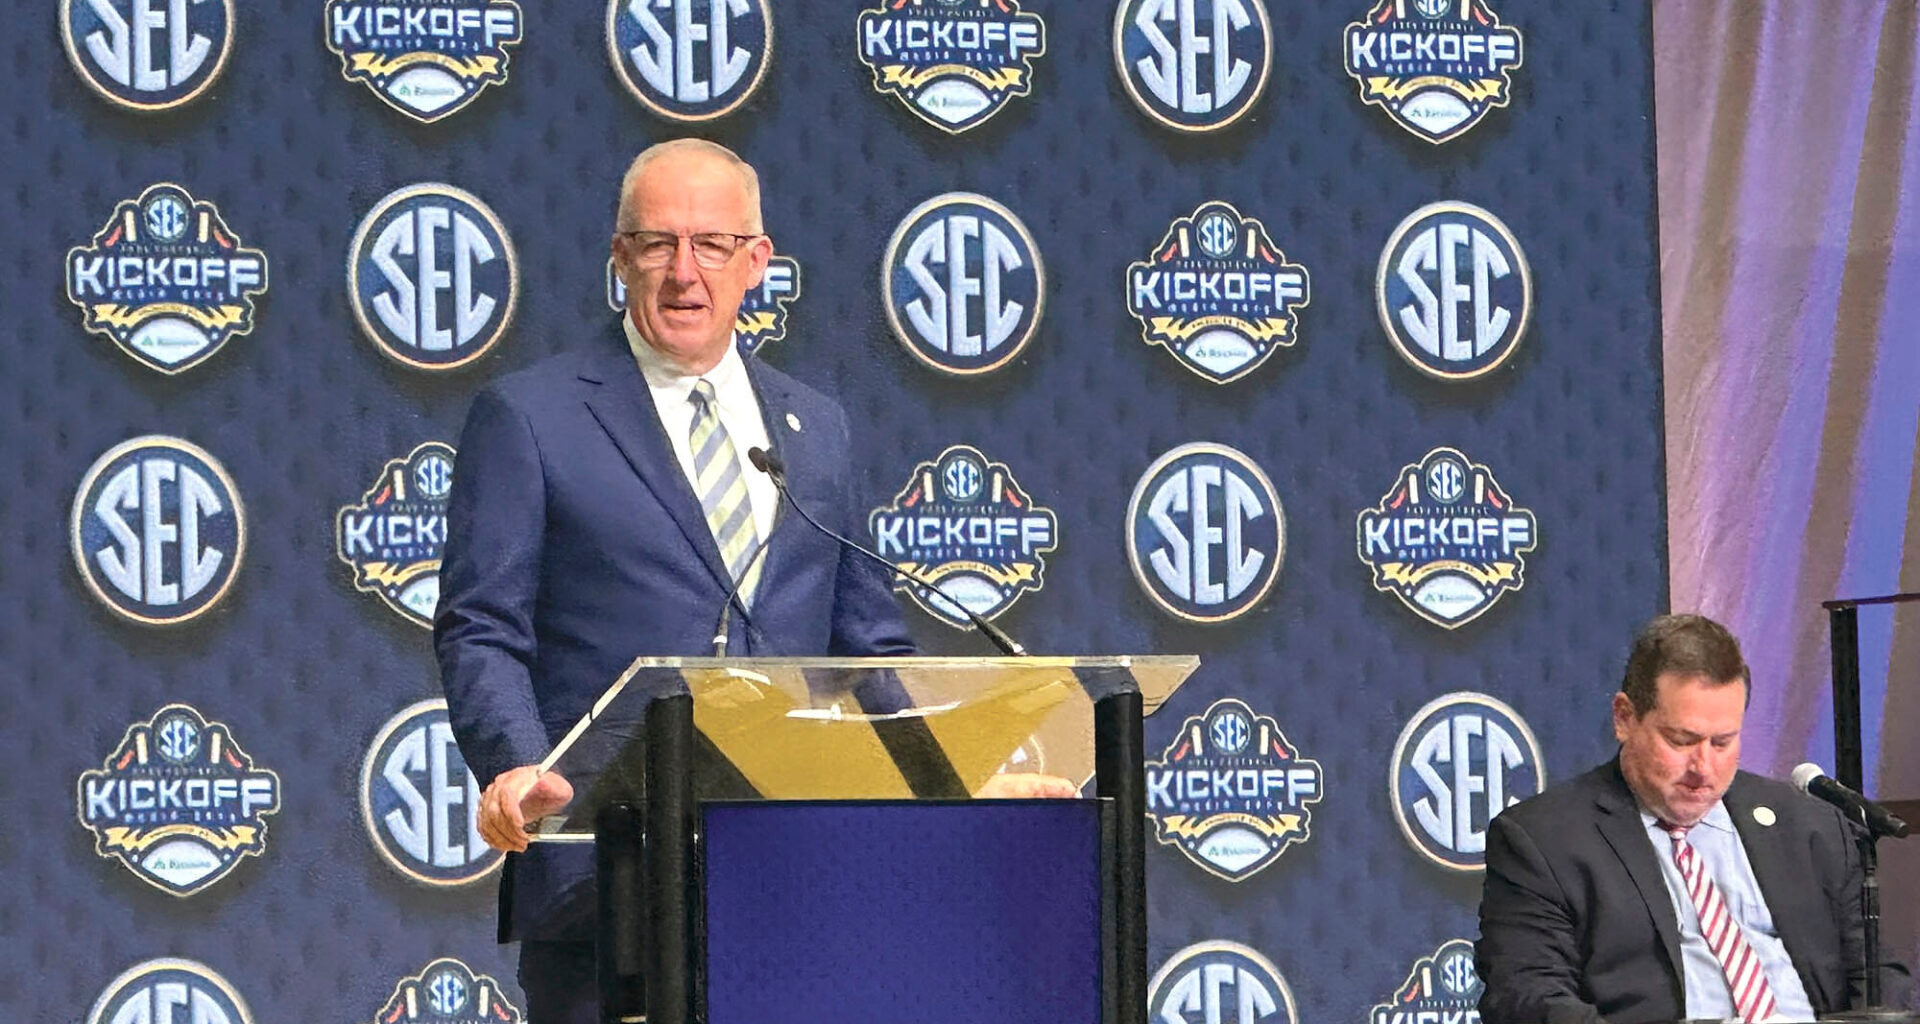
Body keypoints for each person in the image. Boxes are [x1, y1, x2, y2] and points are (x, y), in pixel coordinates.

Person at [434, 139, 922, 1023]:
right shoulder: (532, 416)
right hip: (604, 883)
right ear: (620, 259)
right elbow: (483, 627)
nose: (684, 272)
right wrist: (515, 767)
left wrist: (963, 773)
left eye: (712, 245)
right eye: (657, 244)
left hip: (791, 880)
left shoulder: (819, 430)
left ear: (758, 263)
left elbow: (869, 650)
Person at [1476, 614, 1910, 1024]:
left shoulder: (1810, 828)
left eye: (1722, 742)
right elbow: (1527, 997)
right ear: (1625, 717)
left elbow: (1878, 980)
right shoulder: (1545, 840)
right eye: (1681, 740)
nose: (1703, 767)